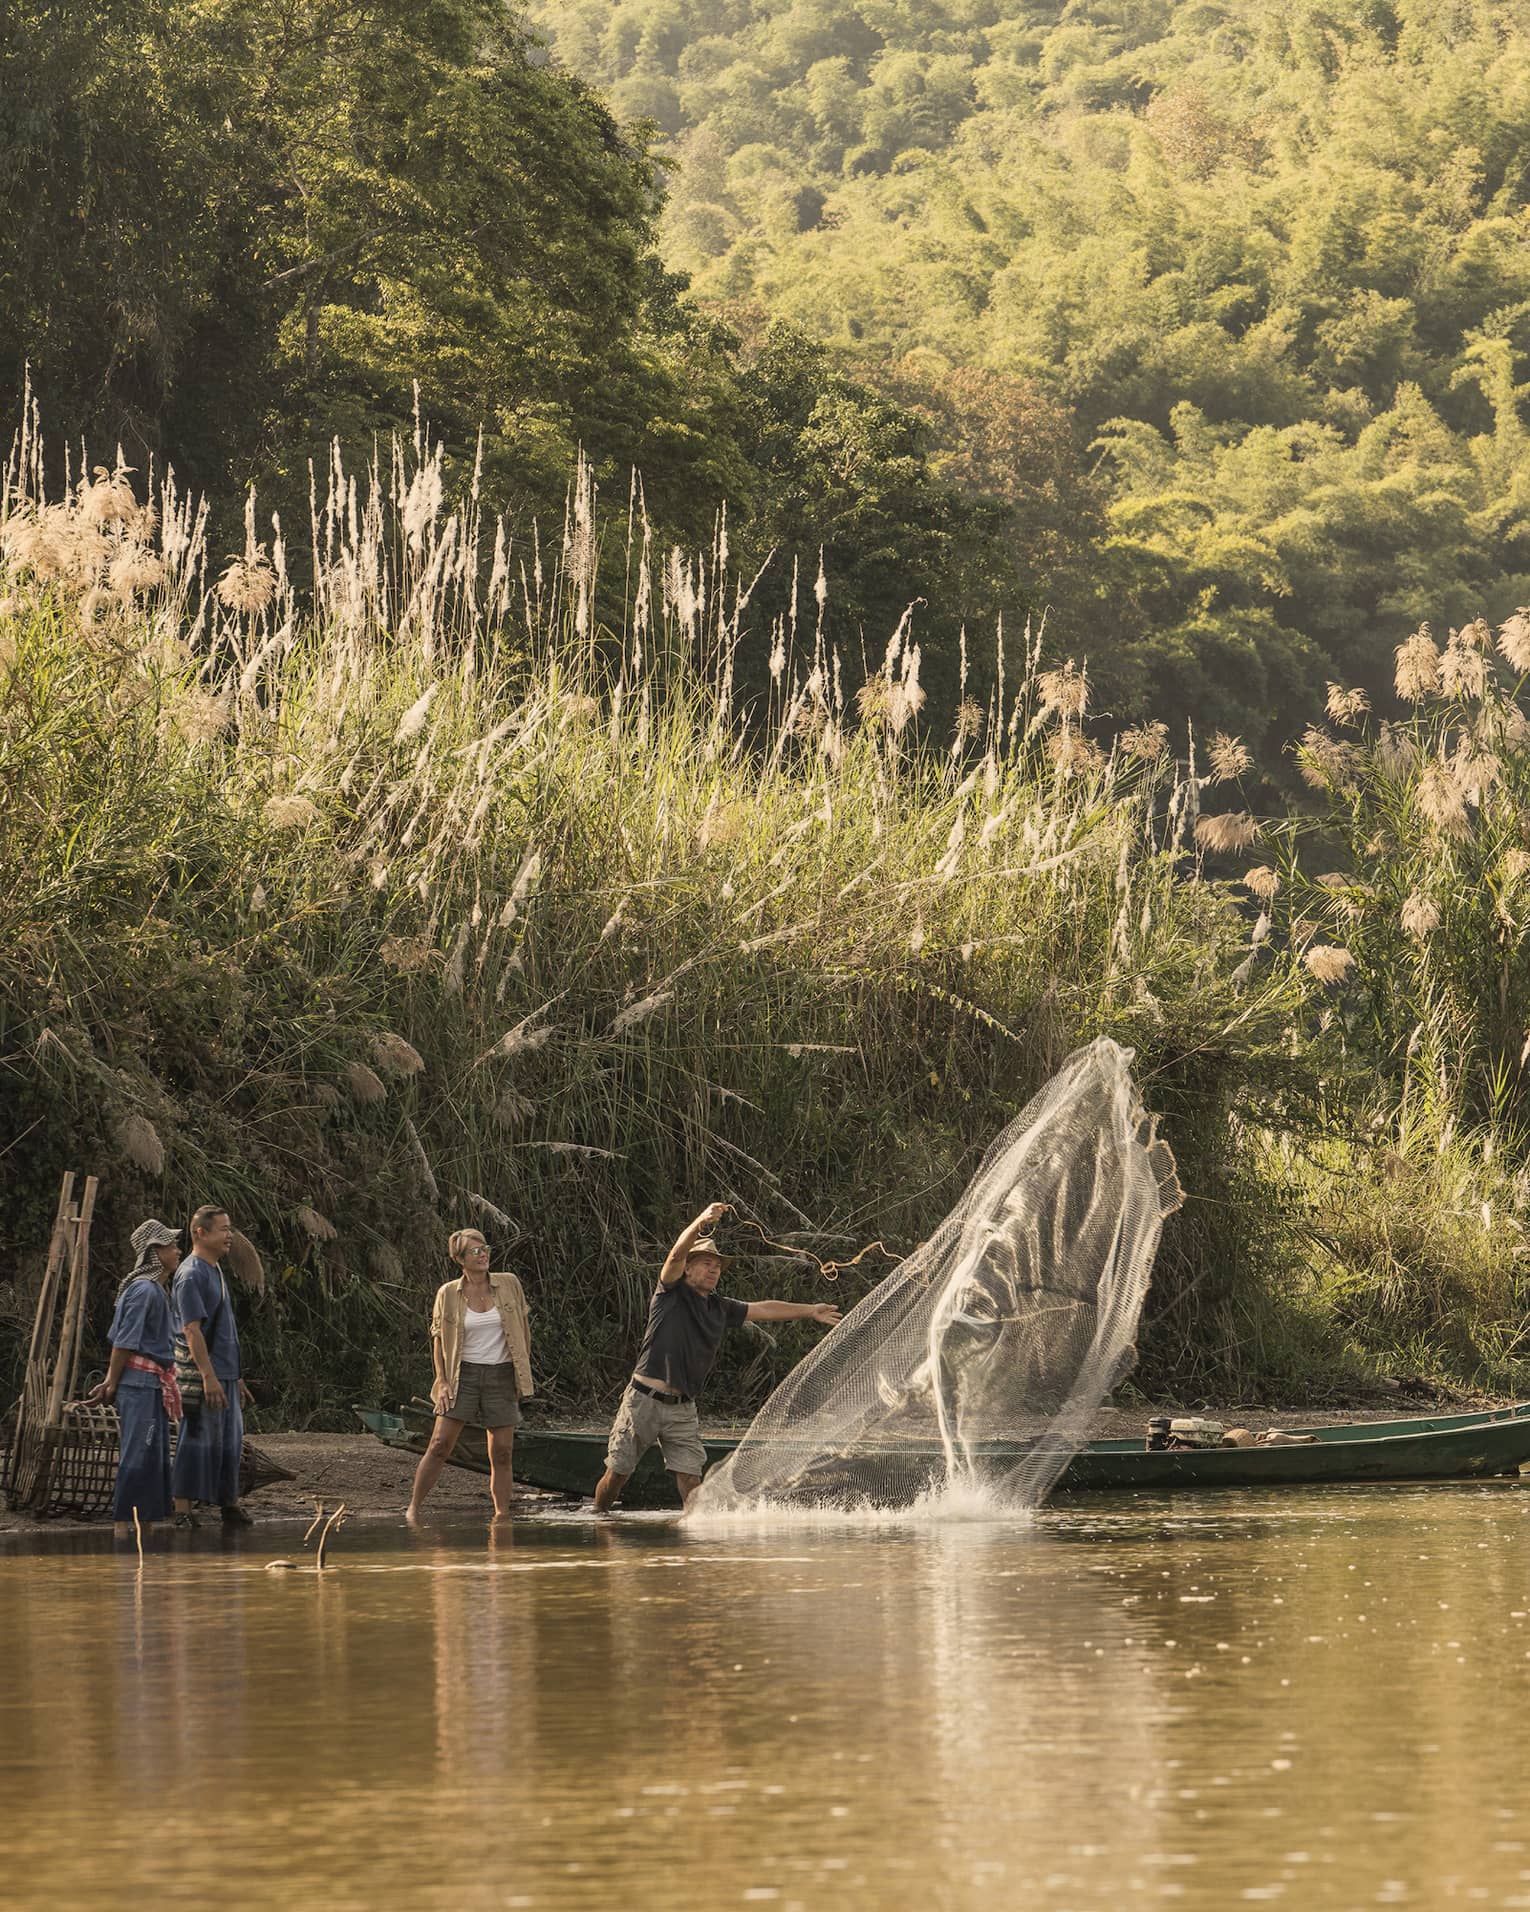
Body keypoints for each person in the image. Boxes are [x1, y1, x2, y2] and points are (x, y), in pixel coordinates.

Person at [594, 1201, 842, 1512]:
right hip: (643, 1401)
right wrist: (700, 1221)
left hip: (682, 1408)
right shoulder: (669, 1292)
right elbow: (674, 1254)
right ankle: (599, 1523)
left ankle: (695, 1553)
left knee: (691, 1484)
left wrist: (810, 1311)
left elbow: (764, 1308)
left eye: (717, 1266)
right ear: (688, 1268)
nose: (714, 1269)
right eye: (706, 1263)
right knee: (617, 1476)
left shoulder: (720, 1307)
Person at [406, 1228, 533, 1524]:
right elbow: (438, 1338)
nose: (482, 1254)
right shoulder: (448, 1293)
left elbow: (523, 1329)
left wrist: (521, 1368)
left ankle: (501, 1516)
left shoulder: (509, 1284)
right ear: (460, 1259)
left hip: (501, 1374)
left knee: (502, 1452)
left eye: (484, 1248)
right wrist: (442, 1379)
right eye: (474, 1251)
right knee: (439, 1444)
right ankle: (413, 1507)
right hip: (462, 1375)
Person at [87, 1218, 183, 1540]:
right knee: (139, 1451)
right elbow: (124, 1342)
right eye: (171, 1245)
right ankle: (122, 1528)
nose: (177, 1250)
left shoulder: (157, 1289)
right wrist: (111, 1383)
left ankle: (147, 1526)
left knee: (154, 1452)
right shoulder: (144, 1290)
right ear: (155, 1252)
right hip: (139, 1384)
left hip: (151, 1384)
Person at [171, 1205, 253, 1528]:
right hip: (203, 1374)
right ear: (200, 1233)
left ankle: (228, 1505)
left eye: (229, 1228)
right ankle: (182, 1511)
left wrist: (235, 1377)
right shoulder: (191, 1274)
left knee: (229, 1443)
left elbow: (224, 1331)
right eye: (222, 1229)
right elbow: (191, 1330)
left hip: (226, 1373)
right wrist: (208, 1376)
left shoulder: (215, 1269)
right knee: (196, 1439)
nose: (229, 1235)